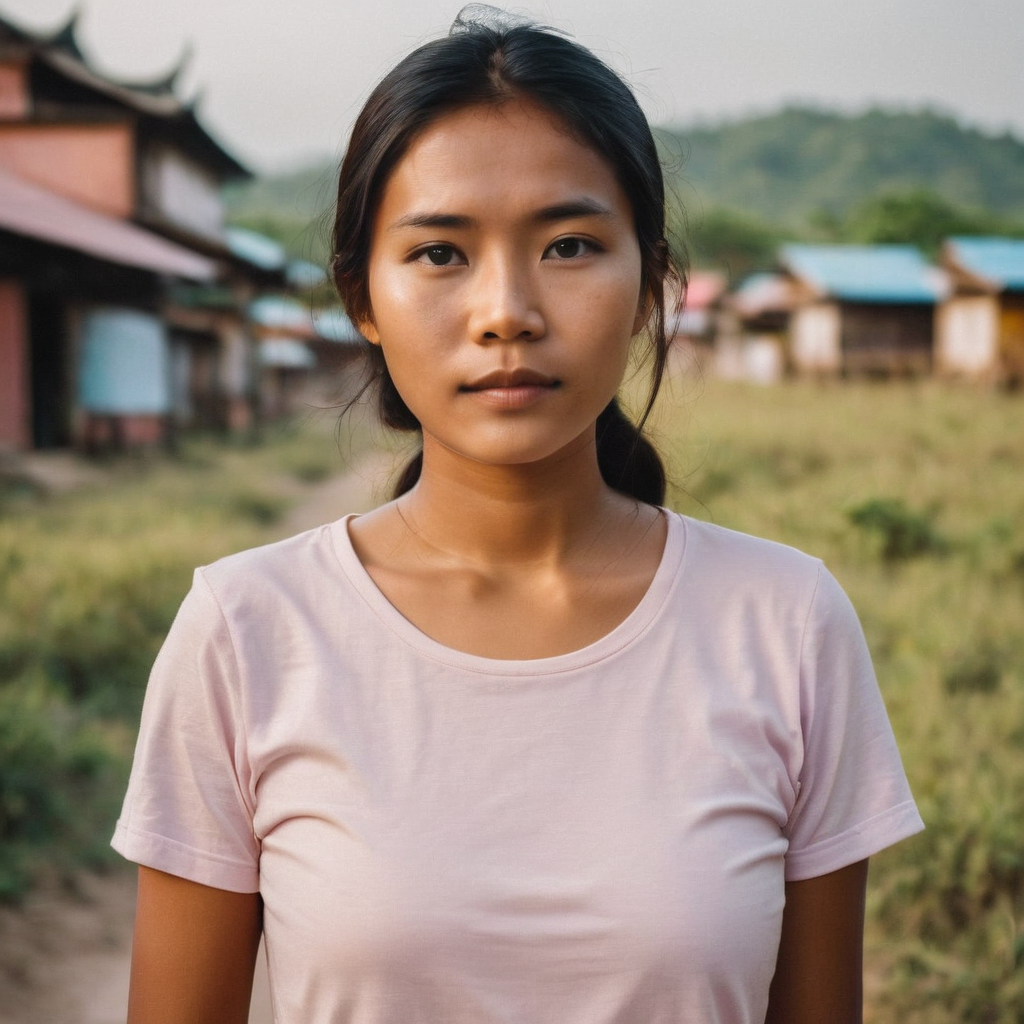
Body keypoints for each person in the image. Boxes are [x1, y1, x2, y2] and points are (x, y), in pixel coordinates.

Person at [113, 9, 924, 1023]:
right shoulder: (247, 630)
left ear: (648, 287)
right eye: (441, 254)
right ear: (361, 294)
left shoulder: (787, 621)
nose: (506, 310)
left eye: (570, 244)